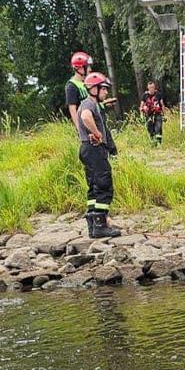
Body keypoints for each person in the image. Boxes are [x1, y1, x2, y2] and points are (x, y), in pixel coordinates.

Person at [77, 72, 121, 238]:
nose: (106, 92)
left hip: (87, 149)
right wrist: (96, 133)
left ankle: (93, 225)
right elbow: (85, 117)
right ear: (94, 89)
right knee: (104, 185)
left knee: (94, 187)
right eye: (104, 89)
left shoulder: (92, 103)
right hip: (94, 149)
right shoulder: (89, 104)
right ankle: (101, 225)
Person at [65, 51, 92, 134]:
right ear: (79, 68)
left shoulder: (88, 83)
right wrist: (80, 130)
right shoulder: (71, 86)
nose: (90, 69)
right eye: (88, 67)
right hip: (86, 127)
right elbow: (73, 110)